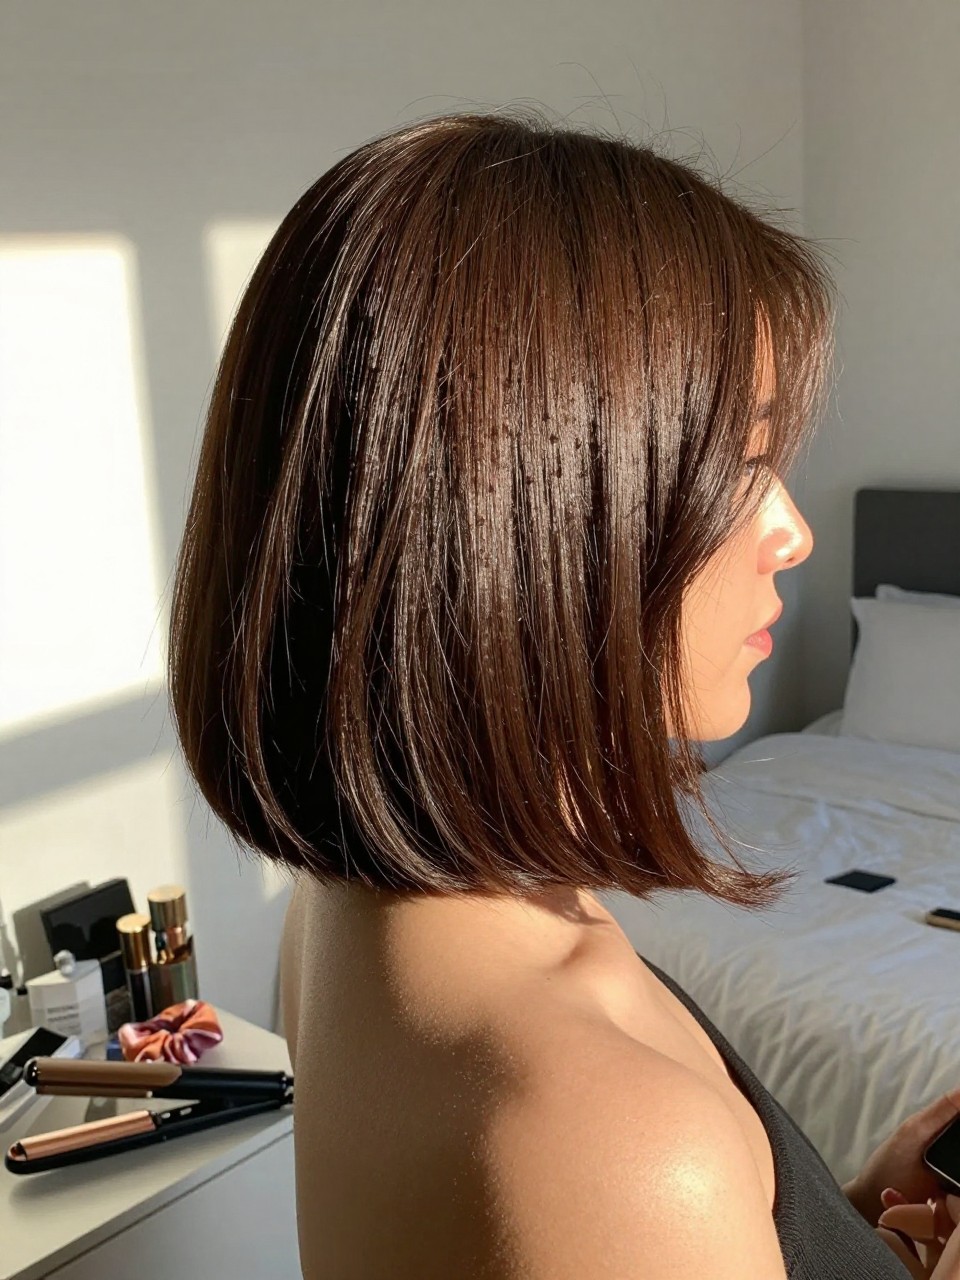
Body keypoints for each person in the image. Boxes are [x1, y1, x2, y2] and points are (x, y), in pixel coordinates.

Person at [165, 107, 957, 1277]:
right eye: (741, 463)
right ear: (530, 522)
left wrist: (842, 1217)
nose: (791, 530)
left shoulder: (349, 908)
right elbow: (624, 1205)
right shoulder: (617, 1148)